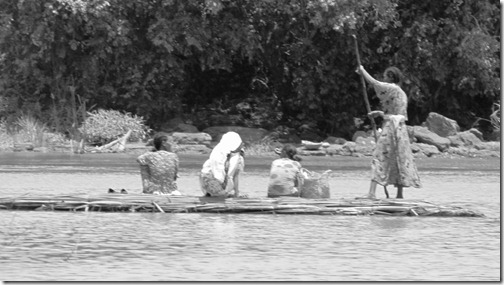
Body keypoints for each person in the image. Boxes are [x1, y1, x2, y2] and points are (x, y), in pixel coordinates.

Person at [356, 65, 421, 199]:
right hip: (400, 129)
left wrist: (363, 71)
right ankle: (399, 194)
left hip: (391, 128)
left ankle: (372, 193)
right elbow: (396, 112)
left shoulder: (393, 88)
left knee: (379, 156)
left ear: (391, 77)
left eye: (386, 77)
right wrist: (379, 113)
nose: (384, 79)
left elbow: (375, 83)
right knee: (399, 159)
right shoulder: (401, 93)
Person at [200, 131, 245, 197]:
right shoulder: (236, 157)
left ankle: (209, 194)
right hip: (217, 184)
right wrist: (236, 193)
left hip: (204, 182)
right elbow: (234, 176)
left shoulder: (218, 150)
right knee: (225, 195)